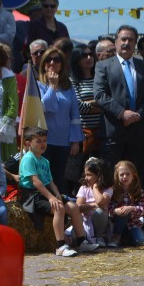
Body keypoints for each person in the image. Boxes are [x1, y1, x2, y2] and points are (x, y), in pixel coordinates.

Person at [18, 126, 99, 257]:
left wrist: (57, 195)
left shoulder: (45, 161)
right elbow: (36, 182)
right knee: (58, 208)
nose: (43, 144)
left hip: (45, 193)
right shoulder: (28, 158)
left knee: (73, 207)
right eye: (38, 141)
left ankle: (81, 241)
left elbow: (50, 182)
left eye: (44, 140)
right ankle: (60, 246)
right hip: (32, 195)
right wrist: (51, 198)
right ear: (28, 143)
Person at [94, 24, 144, 178]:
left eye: (130, 40)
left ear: (135, 43)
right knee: (110, 176)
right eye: (123, 39)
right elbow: (99, 94)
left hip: (139, 131)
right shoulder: (103, 66)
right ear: (116, 42)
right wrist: (122, 113)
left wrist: (138, 115)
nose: (126, 43)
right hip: (113, 131)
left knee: (135, 176)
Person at [37, 47, 83, 195]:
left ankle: (63, 215)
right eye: (48, 60)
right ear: (43, 64)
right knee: (46, 180)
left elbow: (75, 114)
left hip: (64, 142)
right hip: (44, 142)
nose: (52, 63)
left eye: (57, 60)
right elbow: (44, 107)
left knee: (61, 181)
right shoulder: (38, 85)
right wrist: (52, 86)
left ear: (62, 64)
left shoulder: (68, 87)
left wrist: (75, 140)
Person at [70, 44, 102, 158]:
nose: (89, 58)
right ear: (77, 60)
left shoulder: (101, 78)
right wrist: (98, 103)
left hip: (102, 133)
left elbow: (108, 103)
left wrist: (90, 103)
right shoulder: (73, 81)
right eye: (84, 55)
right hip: (84, 135)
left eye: (90, 54)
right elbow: (79, 107)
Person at [75, 157, 113, 247]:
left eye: (89, 175)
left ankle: (99, 237)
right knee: (72, 238)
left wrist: (95, 187)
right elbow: (78, 207)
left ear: (99, 175)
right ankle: (85, 239)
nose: (86, 178)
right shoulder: (84, 188)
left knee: (99, 212)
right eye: (85, 175)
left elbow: (100, 202)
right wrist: (93, 205)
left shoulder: (108, 189)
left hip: (100, 223)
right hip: (84, 222)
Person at [108, 160, 144, 247]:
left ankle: (125, 238)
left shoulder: (139, 192)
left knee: (140, 242)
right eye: (121, 174)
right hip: (116, 224)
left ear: (133, 175)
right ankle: (116, 236)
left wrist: (132, 208)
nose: (125, 177)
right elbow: (108, 209)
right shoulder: (113, 191)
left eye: (128, 174)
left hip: (133, 224)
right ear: (117, 176)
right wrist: (115, 211)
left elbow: (143, 210)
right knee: (123, 211)